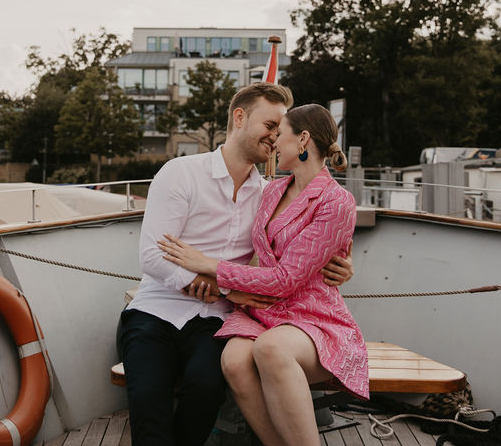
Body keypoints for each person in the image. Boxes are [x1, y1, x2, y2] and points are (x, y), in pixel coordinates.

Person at [116, 84, 353, 446]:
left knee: (205, 388)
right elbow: (152, 256)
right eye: (270, 125)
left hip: (218, 320)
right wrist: (222, 286)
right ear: (239, 117)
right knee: (148, 400)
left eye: (280, 129)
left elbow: (292, 255)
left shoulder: (269, 194)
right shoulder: (180, 173)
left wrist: (341, 265)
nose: (275, 137)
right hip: (156, 311)